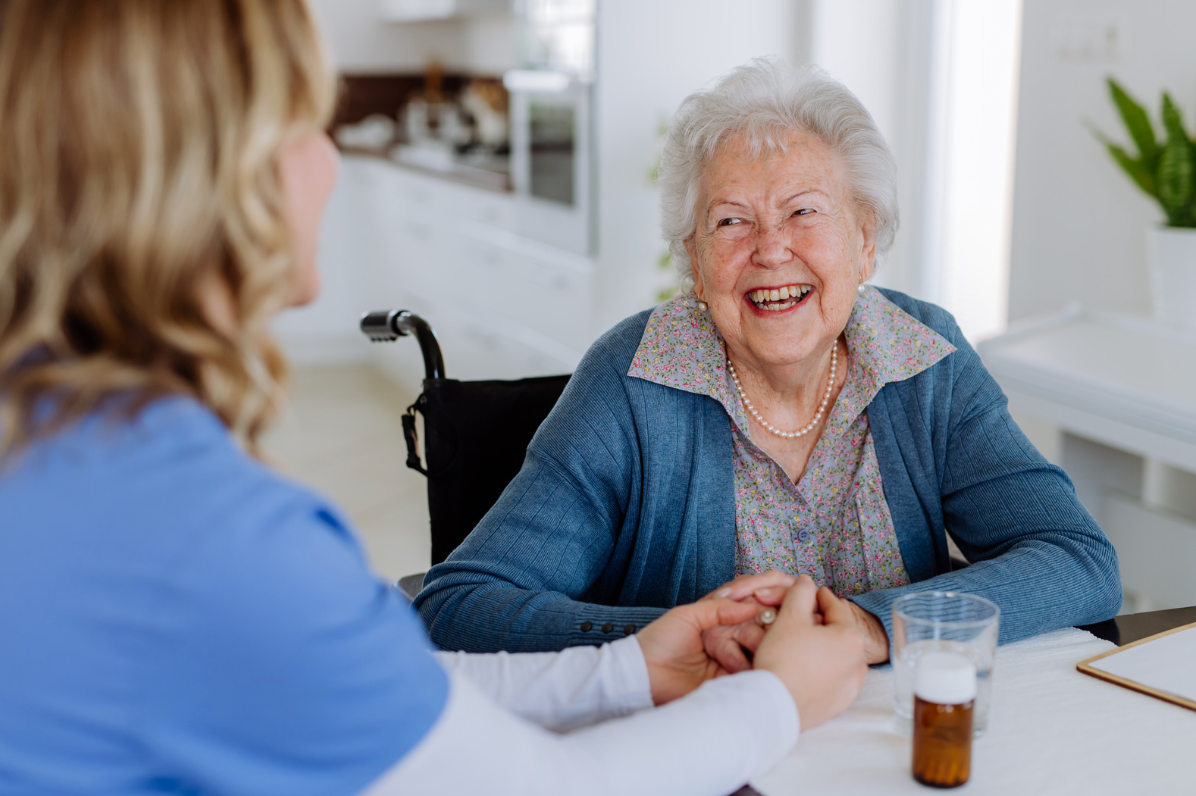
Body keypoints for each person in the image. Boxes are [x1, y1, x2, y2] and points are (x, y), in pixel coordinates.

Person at [0, 3, 870, 795]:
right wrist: (777, 700)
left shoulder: (57, 447)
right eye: (305, 124)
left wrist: (628, 668)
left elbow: (386, 685)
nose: (330, 158)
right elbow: (546, 787)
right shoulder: (214, 543)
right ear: (211, 176)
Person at [415, 57, 1123, 667]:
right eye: (731, 220)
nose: (771, 248)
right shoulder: (630, 380)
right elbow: (458, 604)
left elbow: (1079, 558)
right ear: (694, 260)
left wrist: (872, 626)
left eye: (804, 212)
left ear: (865, 240)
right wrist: (679, 639)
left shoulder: (924, 358)